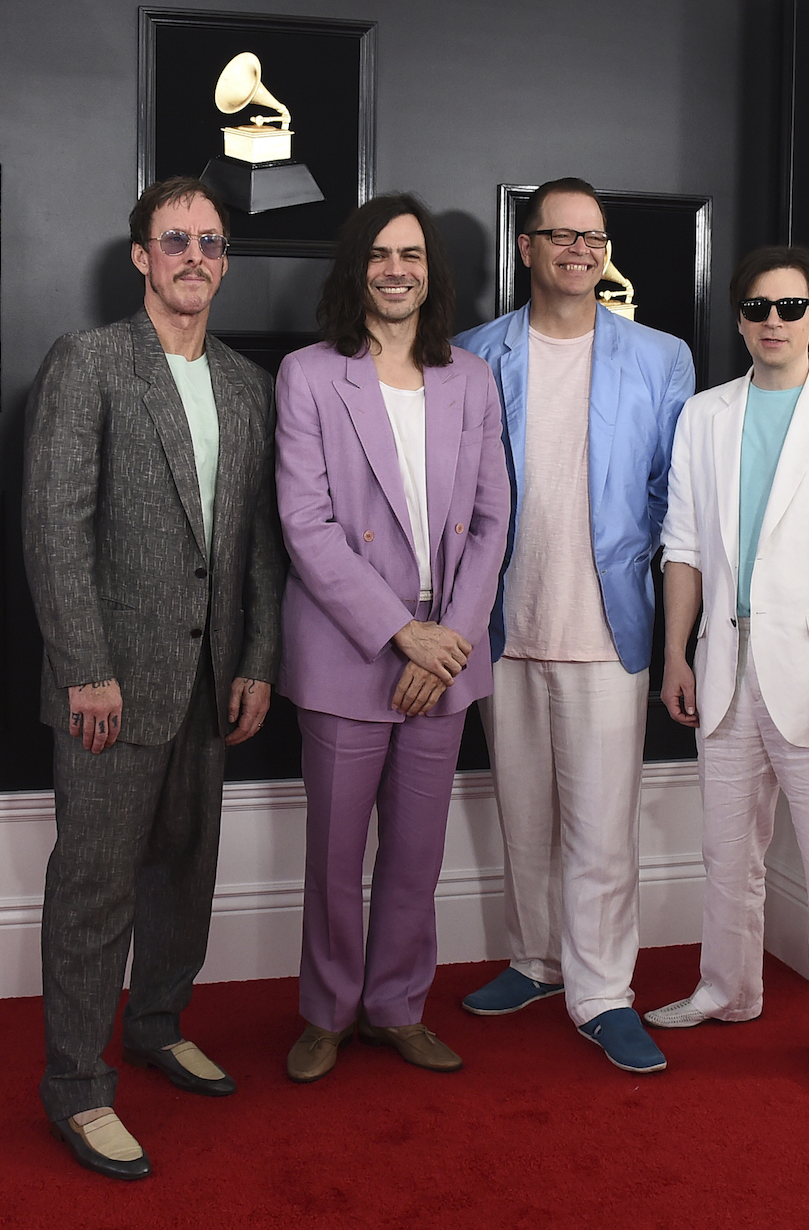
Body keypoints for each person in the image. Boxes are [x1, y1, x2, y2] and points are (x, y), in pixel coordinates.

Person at [21, 175, 284, 1178]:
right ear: (141, 256)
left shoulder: (247, 386)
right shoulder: (87, 365)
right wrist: (83, 667)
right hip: (111, 690)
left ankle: (158, 1022)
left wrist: (257, 659)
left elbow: (257, 543)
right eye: (174, 240)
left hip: (211, 682)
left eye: (210, 243)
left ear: (225, 260)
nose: (193, 257)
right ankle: (77, 1087)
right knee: (93, 888)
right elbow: (54, 529)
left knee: (185, 869)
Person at [647, 245, 809, 1094]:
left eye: (790, 308)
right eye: (758, 308)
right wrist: (675, 655)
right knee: (728, 855)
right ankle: (728, 991)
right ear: (738, 317)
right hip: (724, 670)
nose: (773, 322)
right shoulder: (705, 415)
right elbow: (681, 546)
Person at [454, 178, 694, 1074]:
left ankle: (604, 993)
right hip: (503, 625)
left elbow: (676, 503)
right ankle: (537, 960)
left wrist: (676, 637)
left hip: (612, 628)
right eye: (561, 235)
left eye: (594, 238)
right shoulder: (474, 355)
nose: (580, 251)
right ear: (527, 248)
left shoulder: (661, 358)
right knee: (522, 815)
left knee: (602, 826)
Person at [274, 195, 510, 1083]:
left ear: (431, 272)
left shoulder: (471, 380)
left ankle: (397, 1008)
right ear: (357, 269)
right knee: (335, 858)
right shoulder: (309, 375)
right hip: (352, 652)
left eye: (411, 254)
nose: (396, 269)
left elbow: (494, 519)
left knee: (417, 853)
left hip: (445, 654)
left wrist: (447, 638)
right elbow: (306, 524)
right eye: (379, 254)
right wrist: (401, 634)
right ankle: (328, 1014)